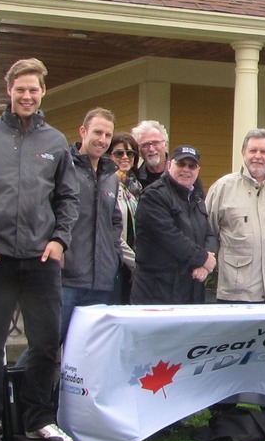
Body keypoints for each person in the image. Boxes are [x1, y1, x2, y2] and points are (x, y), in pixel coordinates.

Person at [0, 58, 78, 441]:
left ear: (43, 93)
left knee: (43, 345)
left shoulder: (55, 141)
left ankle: (39, 418)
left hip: (41, 260)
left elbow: (68, 197)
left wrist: (59, 240)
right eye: (20, 89)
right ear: (9, 90)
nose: (27, 96)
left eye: (34, 90)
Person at [206, 129, 265, 303]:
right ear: (243, 153)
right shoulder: (223, 187)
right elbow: (210, 231)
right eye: (253, 151)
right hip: (236, 291)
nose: (258, 156)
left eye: (263, 151)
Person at [58, 108, 123, 338]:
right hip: (68, 278)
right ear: (83, 132)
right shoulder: (63, 167)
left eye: (107, 135)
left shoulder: (110, 177)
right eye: (97, 132)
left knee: (89, 349)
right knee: (49, 343)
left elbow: (115, 221)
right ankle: (20, 377)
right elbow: (47, 211)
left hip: (102, 281)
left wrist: (113, 254)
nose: (102, 140)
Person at [131, 145, 217, 303]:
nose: (186, 169)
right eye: (181, 164)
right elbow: (170, 237)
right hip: (157, 291)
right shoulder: (154, 195)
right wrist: (203, 258)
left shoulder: (197, 197)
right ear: (169, 165)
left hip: (191, 289)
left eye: (192, 166)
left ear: (198, 170)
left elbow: (209, 234)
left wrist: (204, 264)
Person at [107, 132, 141, 303]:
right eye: (119, 153)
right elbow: (113, 232)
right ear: (109, 156)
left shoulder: (135, 187)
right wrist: (135, 263)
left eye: (130, 153)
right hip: (117, 264)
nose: (125, 157)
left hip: (133, 266)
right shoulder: (107, 184)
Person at [131, 120, 169, 189]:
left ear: (165, 145)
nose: (151, 149)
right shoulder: (135, 180)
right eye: (145, 145)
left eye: (155, 143)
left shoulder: (179, 174)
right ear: (139, 150)